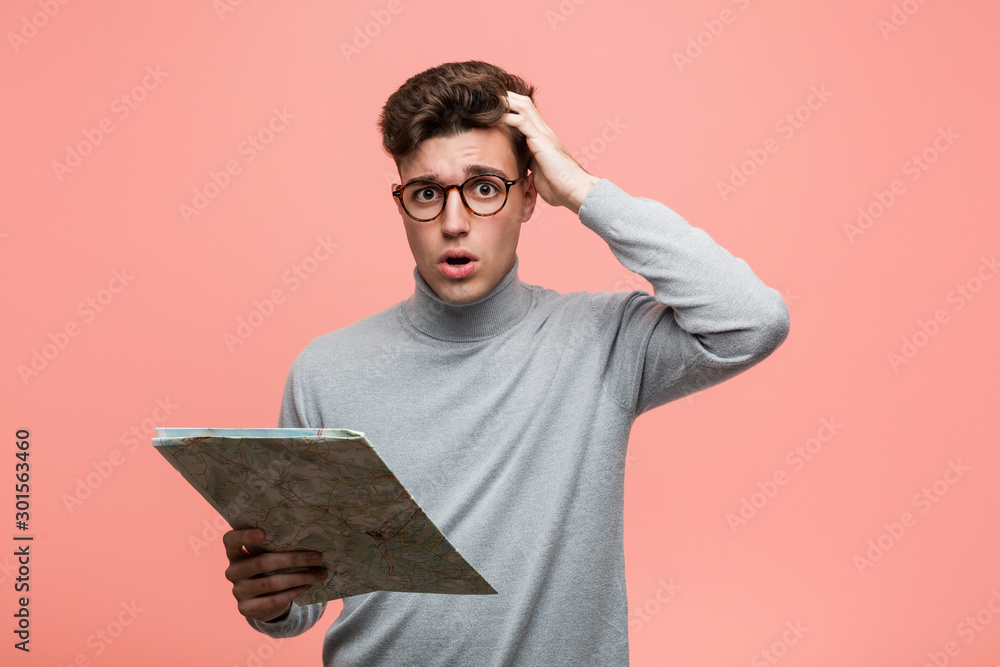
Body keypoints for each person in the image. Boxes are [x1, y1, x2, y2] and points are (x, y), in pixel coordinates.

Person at [221, 60, 790, 665]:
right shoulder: (326, 369)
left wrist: (582, 189)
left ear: (528, 196)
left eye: (485, 187)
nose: (454, 222)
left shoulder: (604, 339)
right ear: (401, 203)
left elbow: (751, 320)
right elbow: (300, 605)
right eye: (426, 193)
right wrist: (274, 599)